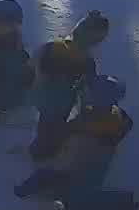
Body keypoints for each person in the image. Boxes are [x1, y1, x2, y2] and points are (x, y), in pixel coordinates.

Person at [14, 76, 137, 209]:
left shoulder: (92, 120)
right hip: (80, 163)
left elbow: (66, 133)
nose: (87, 94)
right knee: (54, 179)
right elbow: (127, 124)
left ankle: (124, 201)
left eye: (91, 93)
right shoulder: (113, 115)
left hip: (84, 168)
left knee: (73, 194)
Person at [32, 10, 111, 159]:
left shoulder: (53, 47)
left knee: (48, 123)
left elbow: (36, 64)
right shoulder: (86, 61)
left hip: (49, 96)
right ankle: (42, 151)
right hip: (59, 99)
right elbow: (87, 87)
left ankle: (42, 147)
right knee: (51, 125)